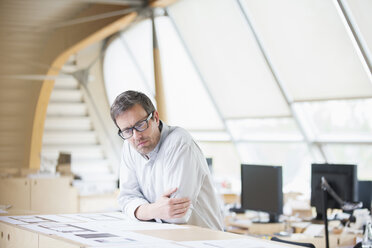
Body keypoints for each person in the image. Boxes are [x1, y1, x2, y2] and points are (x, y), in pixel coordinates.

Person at [110, 90, 224, 230]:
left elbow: (177, 215)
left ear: (155, 118)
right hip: (164, 238)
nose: (136, 136)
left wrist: (141, 210)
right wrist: (154, 210)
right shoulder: (129, 146)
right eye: (127, 130)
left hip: (203, 240)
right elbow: (125, 199)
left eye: (140, 125)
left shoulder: (180, 143)